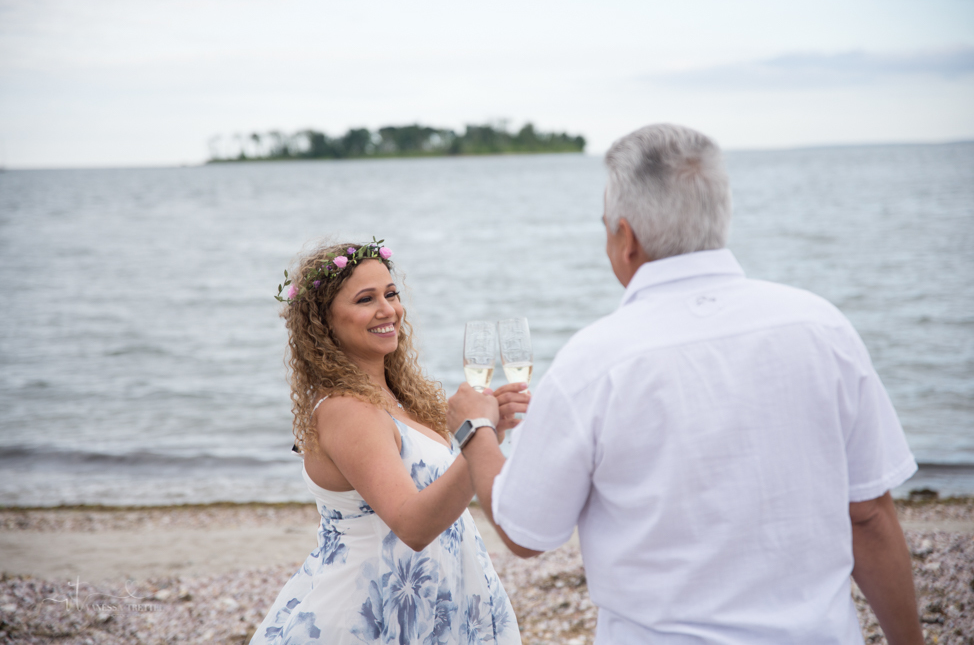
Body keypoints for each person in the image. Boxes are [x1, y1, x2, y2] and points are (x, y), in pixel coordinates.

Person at [449, 124, 924, 644]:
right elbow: (871, 517)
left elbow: (524, 531)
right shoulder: (822, 327)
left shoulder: (594, 363)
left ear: (625, 238)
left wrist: (475, 431)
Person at [252, 240, 522, 645]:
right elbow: (412, 526)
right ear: (323, 323)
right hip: (369, 618)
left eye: (391, 294)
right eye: (366, 299)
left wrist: (486, 436)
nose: (388, 310)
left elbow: (437, 490)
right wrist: (474, 434)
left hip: (429, 605)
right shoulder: (347, 409)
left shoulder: (397, 397)